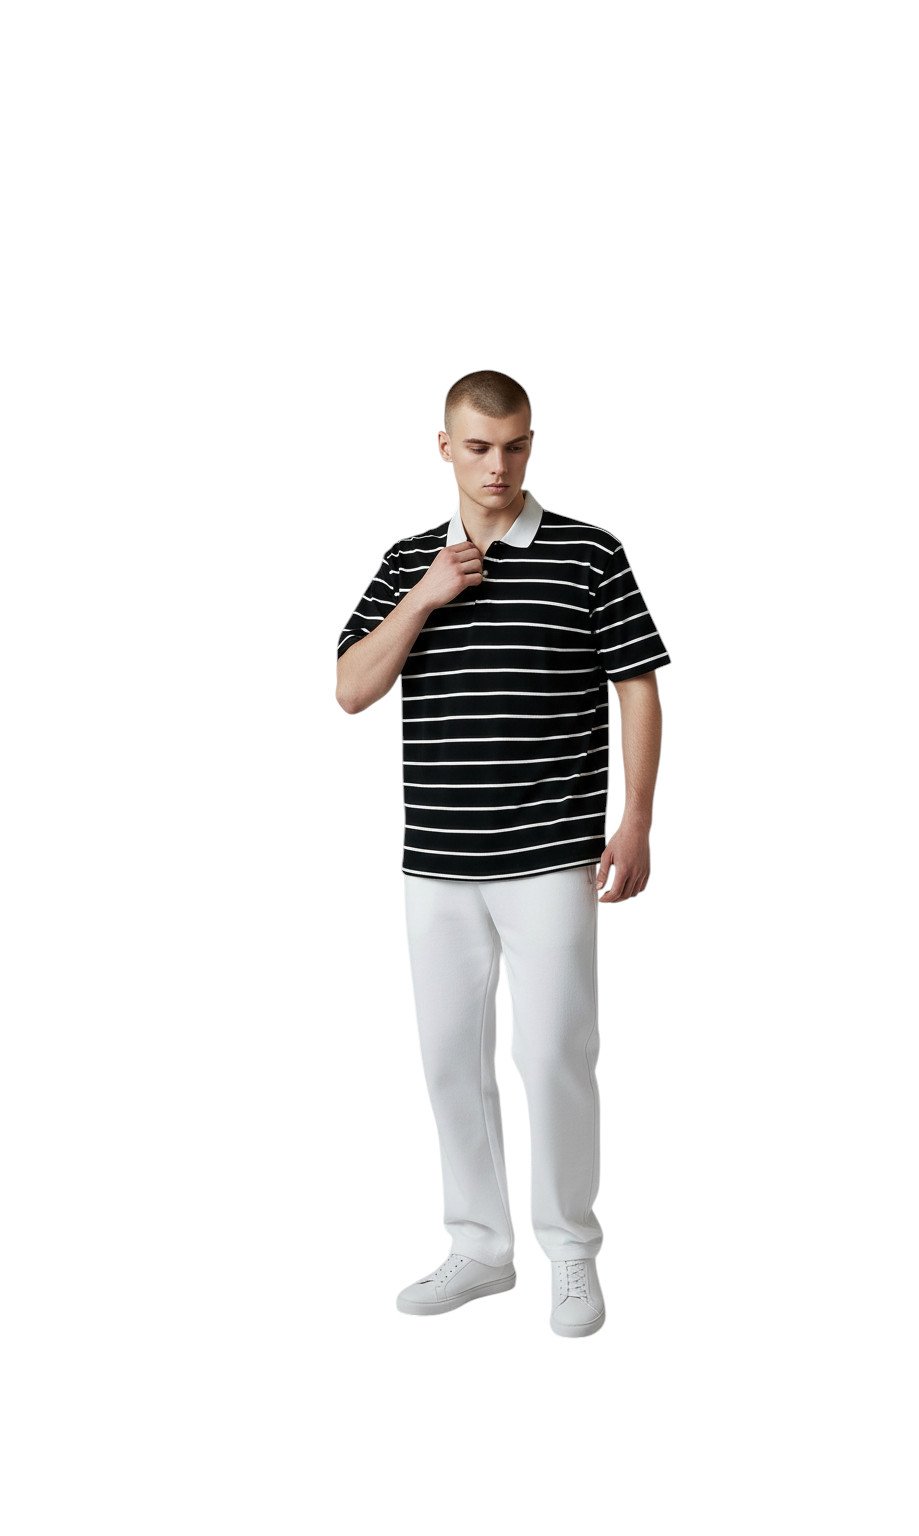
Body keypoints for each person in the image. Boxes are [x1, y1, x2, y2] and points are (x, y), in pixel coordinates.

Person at [335, 370, 671, 1336]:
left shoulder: (589, 554)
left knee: (555, 1053)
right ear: (445, 447)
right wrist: (426, 597)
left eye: (515, 445)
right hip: (438, 858)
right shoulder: (408, 561)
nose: (499, 465)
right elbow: (351, 688)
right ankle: (481, 1247)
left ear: (531, 443)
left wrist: (637, 820)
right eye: (479, 447)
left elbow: (637, 687)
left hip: (551, 851)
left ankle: (571, 1251)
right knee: (449, 1057)